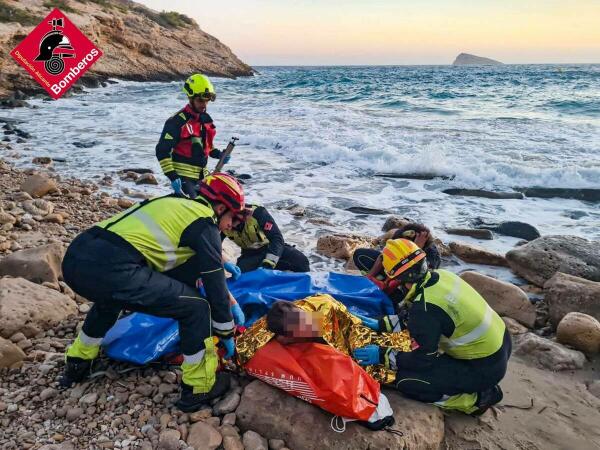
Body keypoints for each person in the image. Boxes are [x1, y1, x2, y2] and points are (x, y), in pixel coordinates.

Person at [59, 173, 246, 412]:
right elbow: (215, 286)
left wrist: (217, 265)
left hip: (76, 259)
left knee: (111, 299)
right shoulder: (205, 222)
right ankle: (199, 388)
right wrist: (226, 330)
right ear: (220, 207)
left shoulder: (175, 203)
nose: (232, 226)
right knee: (196, 308)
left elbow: (179, 261)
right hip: (114, 269)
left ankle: (77, 364)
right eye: (233, 218)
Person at [353, 238, 511, 415]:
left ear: (397, 278)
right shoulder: (443, 276)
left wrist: (382, 354)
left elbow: (421, 359)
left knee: (408, 382)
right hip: (501, 346)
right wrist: (381, 324)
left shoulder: (425, 308)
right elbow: (419, 318)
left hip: (484, 369)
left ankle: (477, 400)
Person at [155, 74, 231, 198]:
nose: (204, 105)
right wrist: (173, 176)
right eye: (200, 100)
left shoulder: (207, 120)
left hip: (203, 177)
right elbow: (162, 151)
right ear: (190, 98)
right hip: (183, 179)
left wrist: (220, 155)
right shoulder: (177, 121)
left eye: (206, 101)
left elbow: (209, 148)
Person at [352, 222, 441, 307]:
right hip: (394, 271)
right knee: (360, 255)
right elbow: (383, 257)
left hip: (409, 282)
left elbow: (421, 279)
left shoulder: (432, 255)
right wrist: (369, 276)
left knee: (399, 295)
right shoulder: (400, 236)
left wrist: (416, 249)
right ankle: (382, 281)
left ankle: (389, 292)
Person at [222, 204, 310, 273]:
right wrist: (225, 262)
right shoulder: (221, 222)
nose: (230, 226)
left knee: (301, 261)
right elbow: (213, 247)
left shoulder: (257, 212)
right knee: (241, 276)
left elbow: (277, 238)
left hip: (271, 248)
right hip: (250, 255)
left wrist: (269, 263)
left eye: (235, 221)